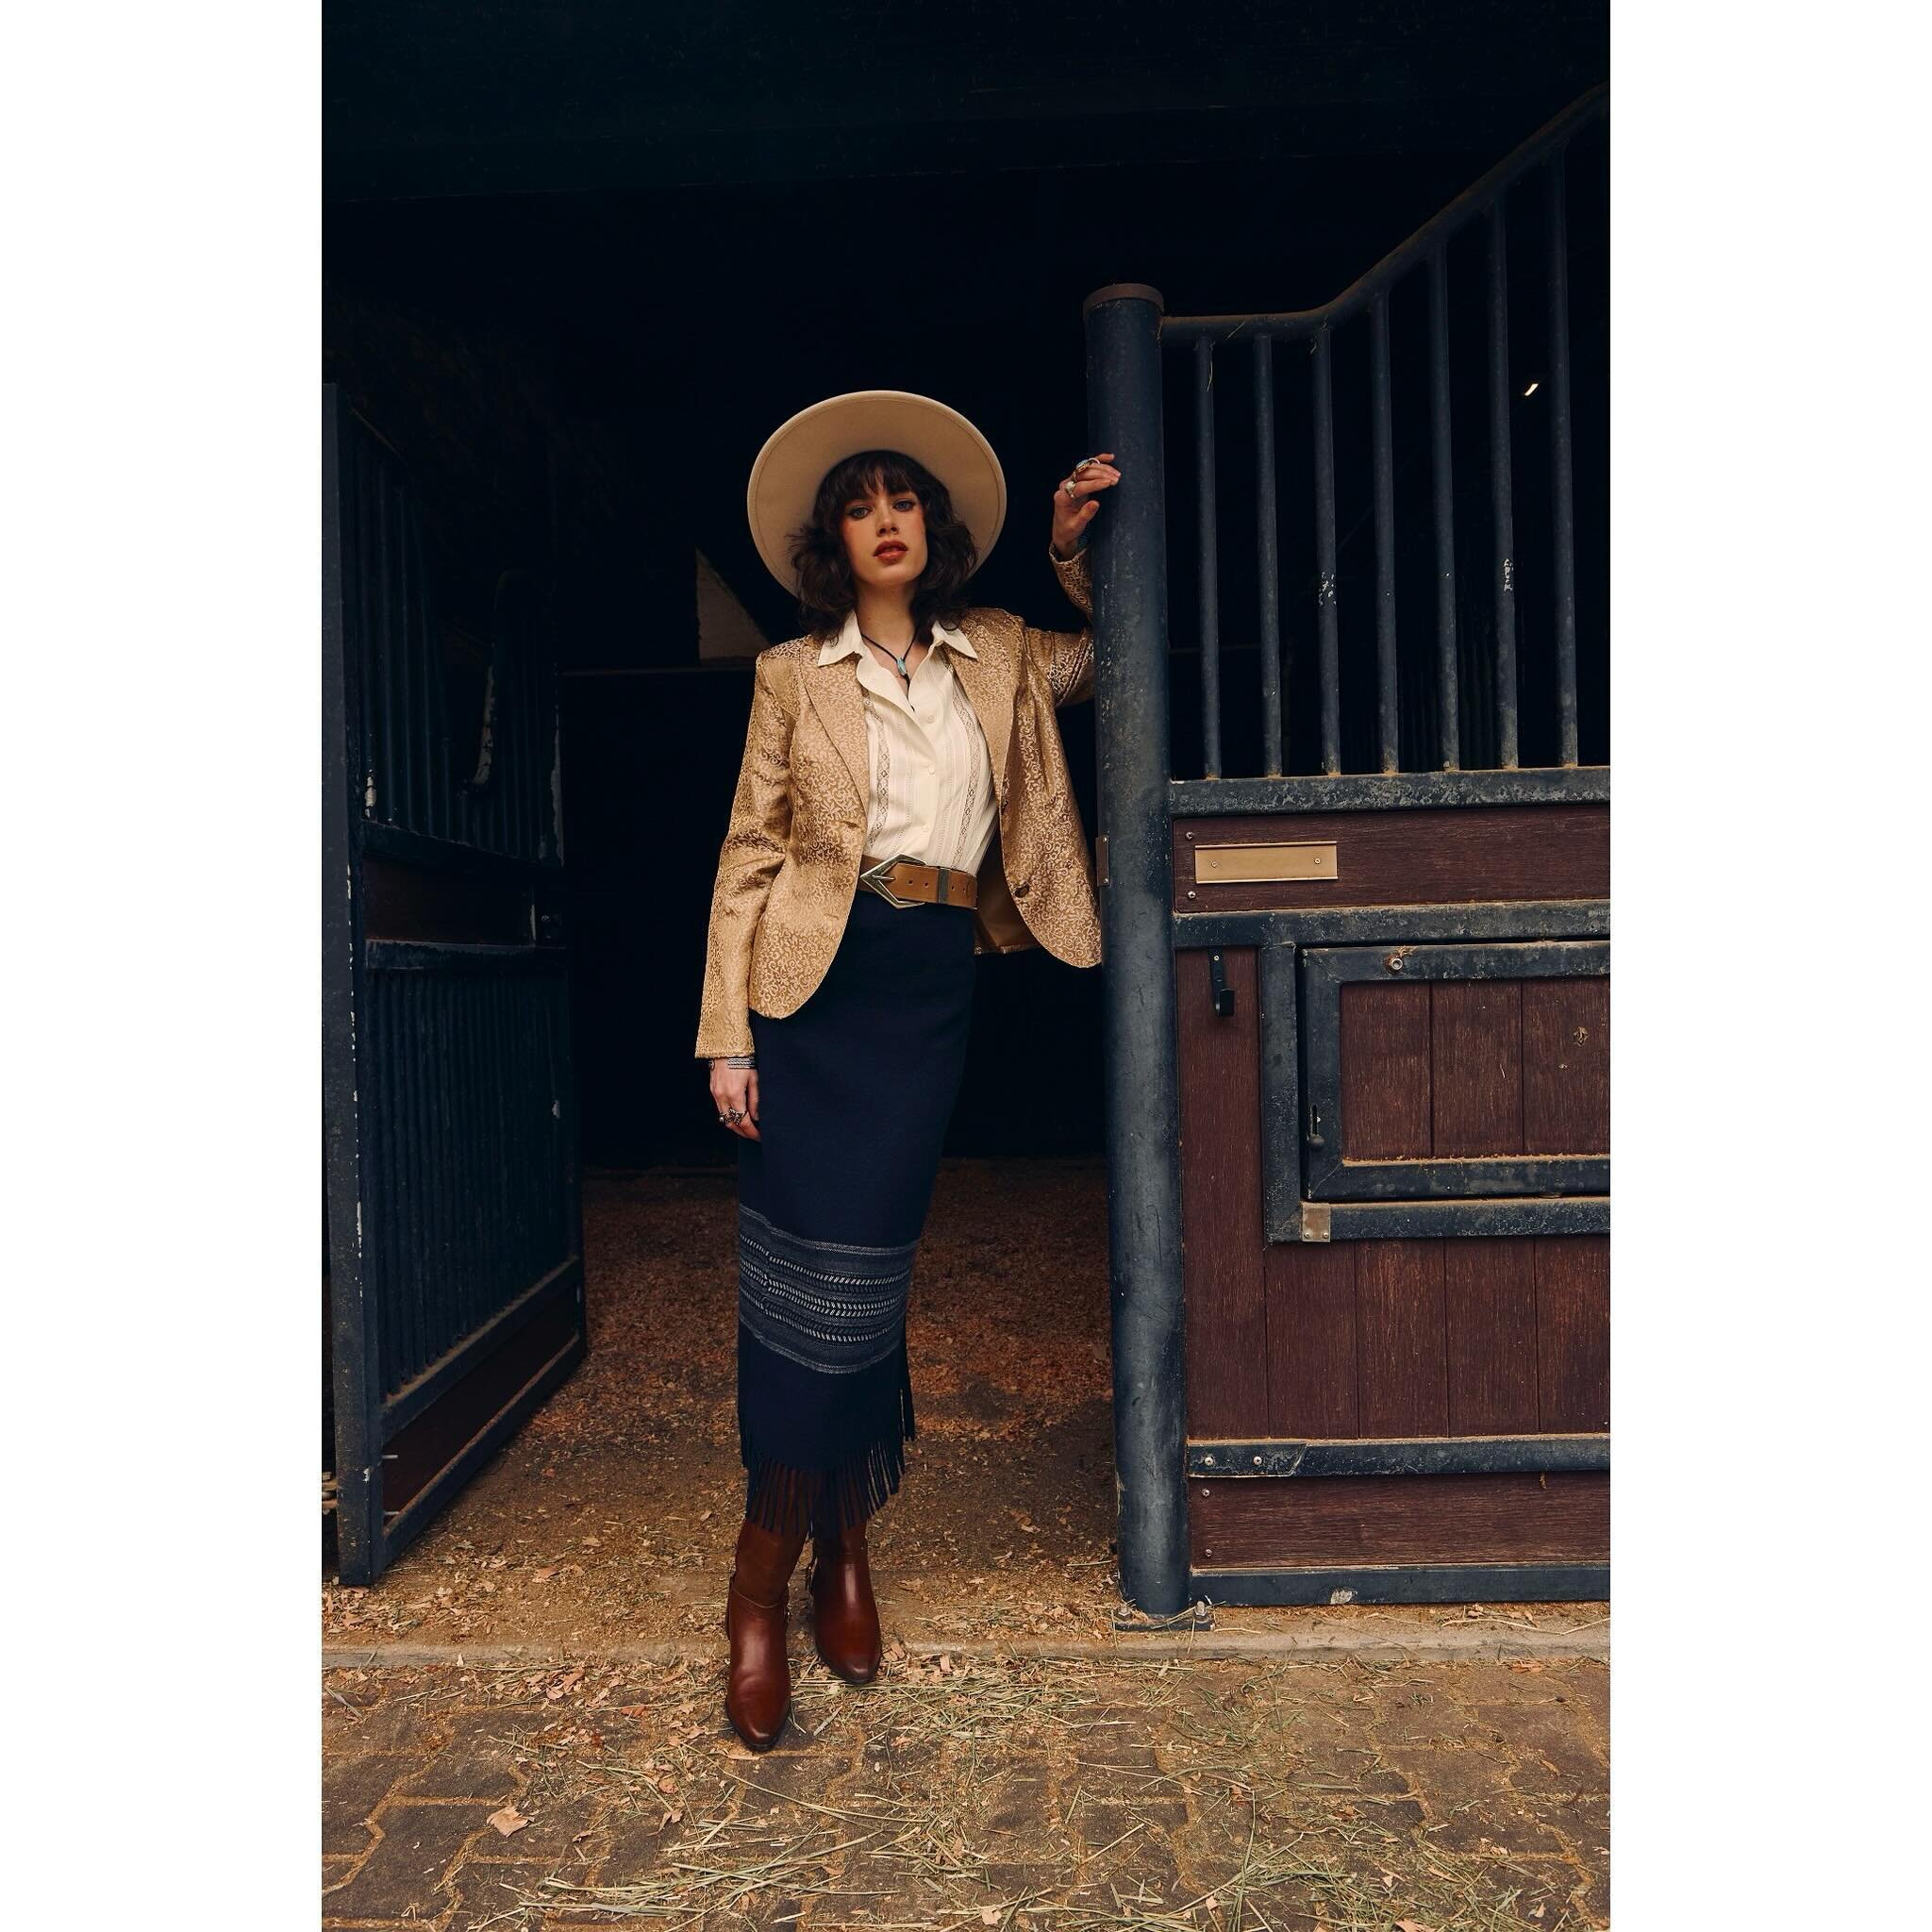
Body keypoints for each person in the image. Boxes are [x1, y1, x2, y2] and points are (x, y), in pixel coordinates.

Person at [694, 389, 1121, 1750]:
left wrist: (1068, 544)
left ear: (933, 527)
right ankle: (769, 1586)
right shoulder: (787, 675)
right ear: (834, 537)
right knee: (802, 1284)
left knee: (862, 1276)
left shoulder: (997, 652)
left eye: (904, 500)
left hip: (928, 986)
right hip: (811, 992)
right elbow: (749, 860)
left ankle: (840, 1553)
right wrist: (725, 1033)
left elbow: (1120, 649)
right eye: (860, 505)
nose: (885, 521)